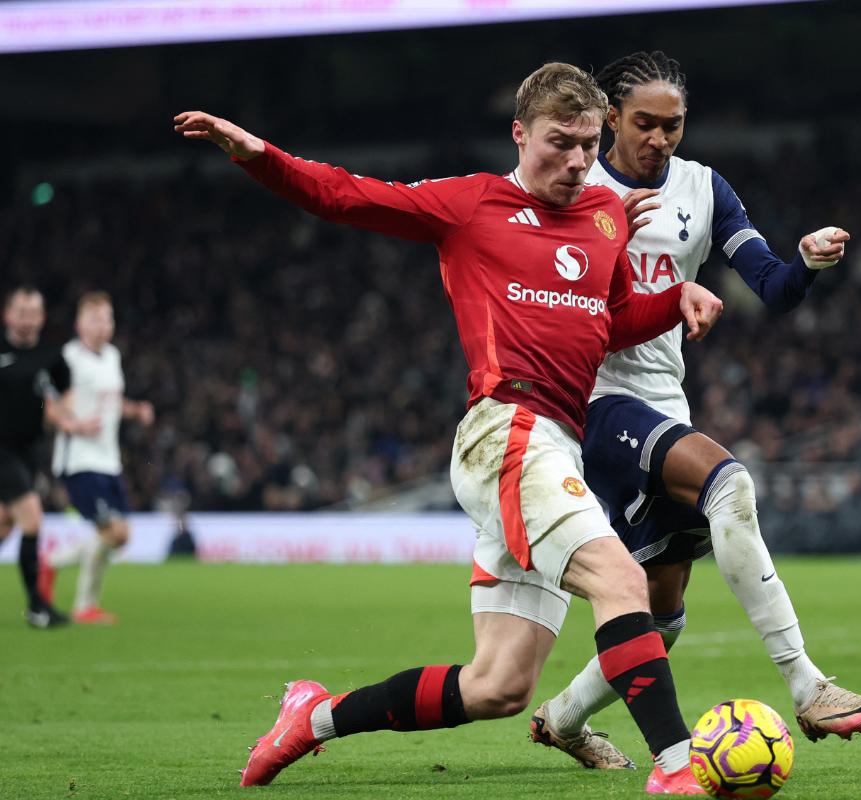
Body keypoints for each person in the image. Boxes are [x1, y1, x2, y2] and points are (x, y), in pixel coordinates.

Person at [175, 61, 724, 795]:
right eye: (560, 142)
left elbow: (611, 318)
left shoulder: (604, 217)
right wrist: (256, 154)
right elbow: (344, 196)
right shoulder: (470, 205)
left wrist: (675, 298)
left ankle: (314, 718)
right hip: (507, 429)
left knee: (499, 685)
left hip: (557, 441)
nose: (577, 161)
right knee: (623, 579)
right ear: (520, 133)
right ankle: (678, 767)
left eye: (590, 144)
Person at [527, 51, 861, 772]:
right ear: (609, 118)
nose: (661, 139)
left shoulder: (704, 189)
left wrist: (808, 264)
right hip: (594, 402)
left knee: (662, 614)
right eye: (645, 124)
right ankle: (806, 682)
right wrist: (605, 240)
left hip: (664, 402)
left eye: (674, 125)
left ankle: (563, 719)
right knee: (731, 483)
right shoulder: (576, 184)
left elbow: (773, 289)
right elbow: (542, 294)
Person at [40, 291, 155, 625]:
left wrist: (135, 410)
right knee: (113, 532)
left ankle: (52, 563)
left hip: (108, 460)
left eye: (107, 318)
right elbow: (46, 403)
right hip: (78, 459)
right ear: (80, 324)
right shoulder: (68, 358)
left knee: (121, 535)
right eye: (95, 318)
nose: (102, 325)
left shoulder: (112, 357)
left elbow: (111, 402)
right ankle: (84, 606)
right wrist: (72, 424)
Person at [0, 286, 98, 628]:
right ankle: (37, 608)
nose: (27, 319)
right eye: (21, 312)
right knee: (32, 519)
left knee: (5, 524)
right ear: (7, 315)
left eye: (34, 313)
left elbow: (62, 393)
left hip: (28, 452)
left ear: (41, 318)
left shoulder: (51, 357)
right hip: (1, 451)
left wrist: (68, 417)